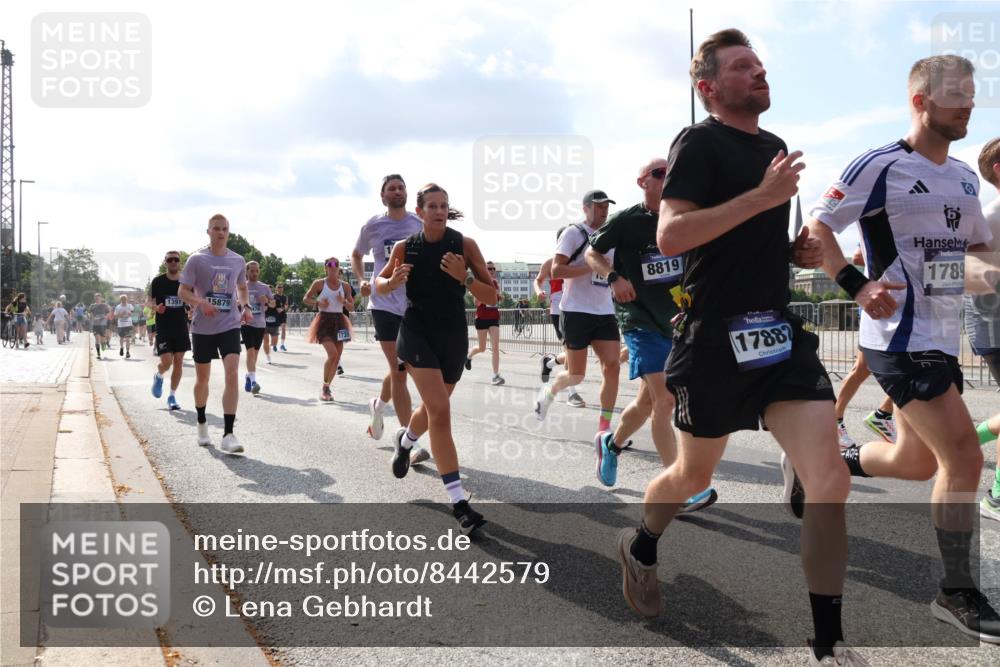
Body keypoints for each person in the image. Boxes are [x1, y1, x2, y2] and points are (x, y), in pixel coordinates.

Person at [614, 30, 861, 666]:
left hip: (777, 331)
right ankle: (641, 546)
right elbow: (672, 236)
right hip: (714, 336)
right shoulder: (698, 142)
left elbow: (749, 235)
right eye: (743, 66)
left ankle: (828, 644)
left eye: (760, 64)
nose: (760, 72)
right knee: (693, 475)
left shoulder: (773, 146)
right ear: (708, 87)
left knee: (830, 479)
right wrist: (762, 198)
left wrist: (794, 251)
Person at [808, 54, 999, 644]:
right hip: (896, 337)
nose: (969, 104)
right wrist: (856, 284)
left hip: (941, 338)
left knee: (917, 463)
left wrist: (985, 274)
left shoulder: (965, 177)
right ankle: (955, 591)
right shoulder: (880, 165)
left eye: (972, 94)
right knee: (964, 457)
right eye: (957, 95)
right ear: (921, 101)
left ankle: (826, 463)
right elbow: (819, 228)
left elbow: (976, 256)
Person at [584, 157, 718, 514]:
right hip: (639, 319)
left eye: (673, 172)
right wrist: (614, 278)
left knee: (646, 404)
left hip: (675, 322)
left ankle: (611, 444)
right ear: (642, 182)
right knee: (665, 401)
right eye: (660, 173)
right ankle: (678, 486)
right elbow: (592, 252)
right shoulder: (626, 221)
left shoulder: (683, 217)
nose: (668, 177)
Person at [375, 183, 493, 534]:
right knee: (440, 410)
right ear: (420, 211)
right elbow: (379, 283)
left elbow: (491, 296)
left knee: (431, 408)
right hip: (416, 331)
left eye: (444, 205)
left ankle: (405, 441)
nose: (440, 211)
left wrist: (465, 277)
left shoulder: (465, 245)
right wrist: (391, 283)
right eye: (433, 206)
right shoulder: (405, 247)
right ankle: (459, 503)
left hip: (452, 334)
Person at [351, 174, 428, 463]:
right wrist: (362, 280)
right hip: (383, 303)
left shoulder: (418, 223)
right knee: (399, 369)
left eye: (401, 187)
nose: (397, 191)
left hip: (412, 305)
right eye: (391, 188)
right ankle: (408, 440)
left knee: (402, 366)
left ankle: (379, 404)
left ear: (407, 193)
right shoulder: (372, 225)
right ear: (383, 196)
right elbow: (356, 254)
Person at [534, 190, 621, 437]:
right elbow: (557, 270)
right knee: (576, 375)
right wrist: (591, 266)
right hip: (576, 310)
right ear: (585, 208)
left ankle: (604, 428)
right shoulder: (574, 233)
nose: (603, 211)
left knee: (612, 367)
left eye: (606, 206)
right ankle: (548, 393)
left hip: (605, 310)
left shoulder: (611, 236)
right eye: (598, 206)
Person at [179, 214, 252, 454]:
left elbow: (242, 287)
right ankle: (201, 423)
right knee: (203, 379)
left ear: (228, 232)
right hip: (203, 327)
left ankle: (228, 434)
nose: (221, 232)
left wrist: (245, 306)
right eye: (216, 228)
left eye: (225, 229)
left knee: (232, 373)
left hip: (229, 324)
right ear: (208, 231)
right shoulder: (196, 259)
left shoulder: (237, 260)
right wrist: (201, 303)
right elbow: (182, 291)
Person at [966, 138, 1000, 520]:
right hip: (994, 329)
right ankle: (997, 497)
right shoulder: (989, 218)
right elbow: (968, 279)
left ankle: (964, 441)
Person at [534, 233, 586, 408]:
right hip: (559, 311)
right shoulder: (550, 262)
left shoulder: (581, 261)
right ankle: (572, 393)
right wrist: (538, 292)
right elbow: (538, 280)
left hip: (579, 309)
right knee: (571, 351)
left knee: (575, 351)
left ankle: (549, 363)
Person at [302, 257, 353, 401]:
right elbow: (306, 298)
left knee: (337, 359)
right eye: (330, 264)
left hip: (340, 322)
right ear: (326, 267)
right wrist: (318, 303)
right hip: (324, 320)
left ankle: (326, 388)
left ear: (338, 267)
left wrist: (344, 302)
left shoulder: (345, 286)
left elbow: (351, 307)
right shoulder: (319, 283)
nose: (333, 266)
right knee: (332, 354)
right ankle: (324, 388)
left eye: (336, 264)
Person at [150, 251, 191, 410]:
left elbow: (191, 299)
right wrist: (156, 308)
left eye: (176, 259)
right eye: (170, 260)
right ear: (165, 262)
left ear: (180, 262)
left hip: (181, 326)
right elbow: (149, 302)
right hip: (164, 327)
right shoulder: (158, 281)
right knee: (167, 362)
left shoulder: (186, 281)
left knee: (179, 361)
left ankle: (172, 396)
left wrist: (192, 309)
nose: (173, 262)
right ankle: (159, 375)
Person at [465, 261, 504, 385]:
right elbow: (476, 303)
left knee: (495, 347)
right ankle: (469, 356)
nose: (491, 271)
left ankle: (496, 375)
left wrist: (498, 297)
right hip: (482, 318)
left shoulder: (495, 283)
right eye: (489, 269)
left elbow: (497, 299)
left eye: (493, 269)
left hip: (494, 317)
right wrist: (484, 294)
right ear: (485, 270)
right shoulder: (479, 282)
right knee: (482, 348)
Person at [241, 261, 274, 396]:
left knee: (254, 353)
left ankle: (249, 375)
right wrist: (241, 303)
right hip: (246, 323)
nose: (254, 273)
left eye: (256, 271)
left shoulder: (264, 287)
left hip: (260, 324)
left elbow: (273, 303)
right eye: (252, 271)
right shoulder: (241, 286)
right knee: (250, 351)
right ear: (247, 272)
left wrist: (267, 300)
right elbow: (235, 301)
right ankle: (254, 381)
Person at [88, 294, 109, 359]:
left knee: (103, 339)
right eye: (96, 298)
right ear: (94, 299)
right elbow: (89, 313)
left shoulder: (104, 305)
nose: (97, 299)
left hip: (103, 324)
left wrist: (105, 316)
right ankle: (98, 354)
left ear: (101, 298)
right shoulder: (92, 306)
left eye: (98, 298)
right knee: (97, 339)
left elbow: (108, 313)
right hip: (95, 324)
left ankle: (103, 344)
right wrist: (92, 317)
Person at [263, 294, 280, 364]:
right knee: (266, 341)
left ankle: (272, 346)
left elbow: (279, 310)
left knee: (274, 343)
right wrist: (267, 303)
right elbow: (264, 309)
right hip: (265, 324)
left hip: (275, 325)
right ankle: (268, 356)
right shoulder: (264, 299)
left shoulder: (277, 299)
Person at [274, 282, 289, 352]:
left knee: (283, 329)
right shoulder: (274, 296)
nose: (280, 288)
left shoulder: (285, 297)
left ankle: (282, 345)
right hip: (275, 314)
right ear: (276, 288)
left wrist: (282, 309)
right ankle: (274, 345)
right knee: (275, 330)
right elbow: (271, 304)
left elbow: (286, 305)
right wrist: (276, 309)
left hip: (283, 314)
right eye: (279, 287)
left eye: (281, 287)